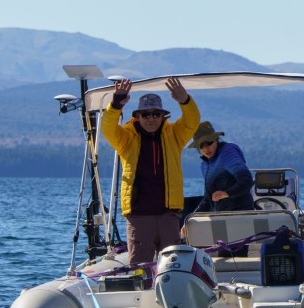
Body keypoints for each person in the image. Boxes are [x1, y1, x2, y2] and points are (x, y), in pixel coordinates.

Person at [100, 77, 201, 266]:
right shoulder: (126, 139)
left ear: (163, 116)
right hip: (139, 216)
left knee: (173, 268)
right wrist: (115, 104)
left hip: (169, 215)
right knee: (140, 269)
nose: (151, 118)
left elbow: (192, 121)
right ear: (137, 116)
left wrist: (184, 100)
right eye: (145, 114)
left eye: (156, 114)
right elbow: (108, 128)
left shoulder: (175, 135)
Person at [188, 121, 255, 256]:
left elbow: (246, 180)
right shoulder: (205, 165)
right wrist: (190, 220)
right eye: (201, 145)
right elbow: (208, 199)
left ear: (216, 140)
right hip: (220, 221)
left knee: (236, 261)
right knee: (223, 261)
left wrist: (227, 193)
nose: (206, 148)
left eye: (209, 142)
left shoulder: (227, 152)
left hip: (238, 219)